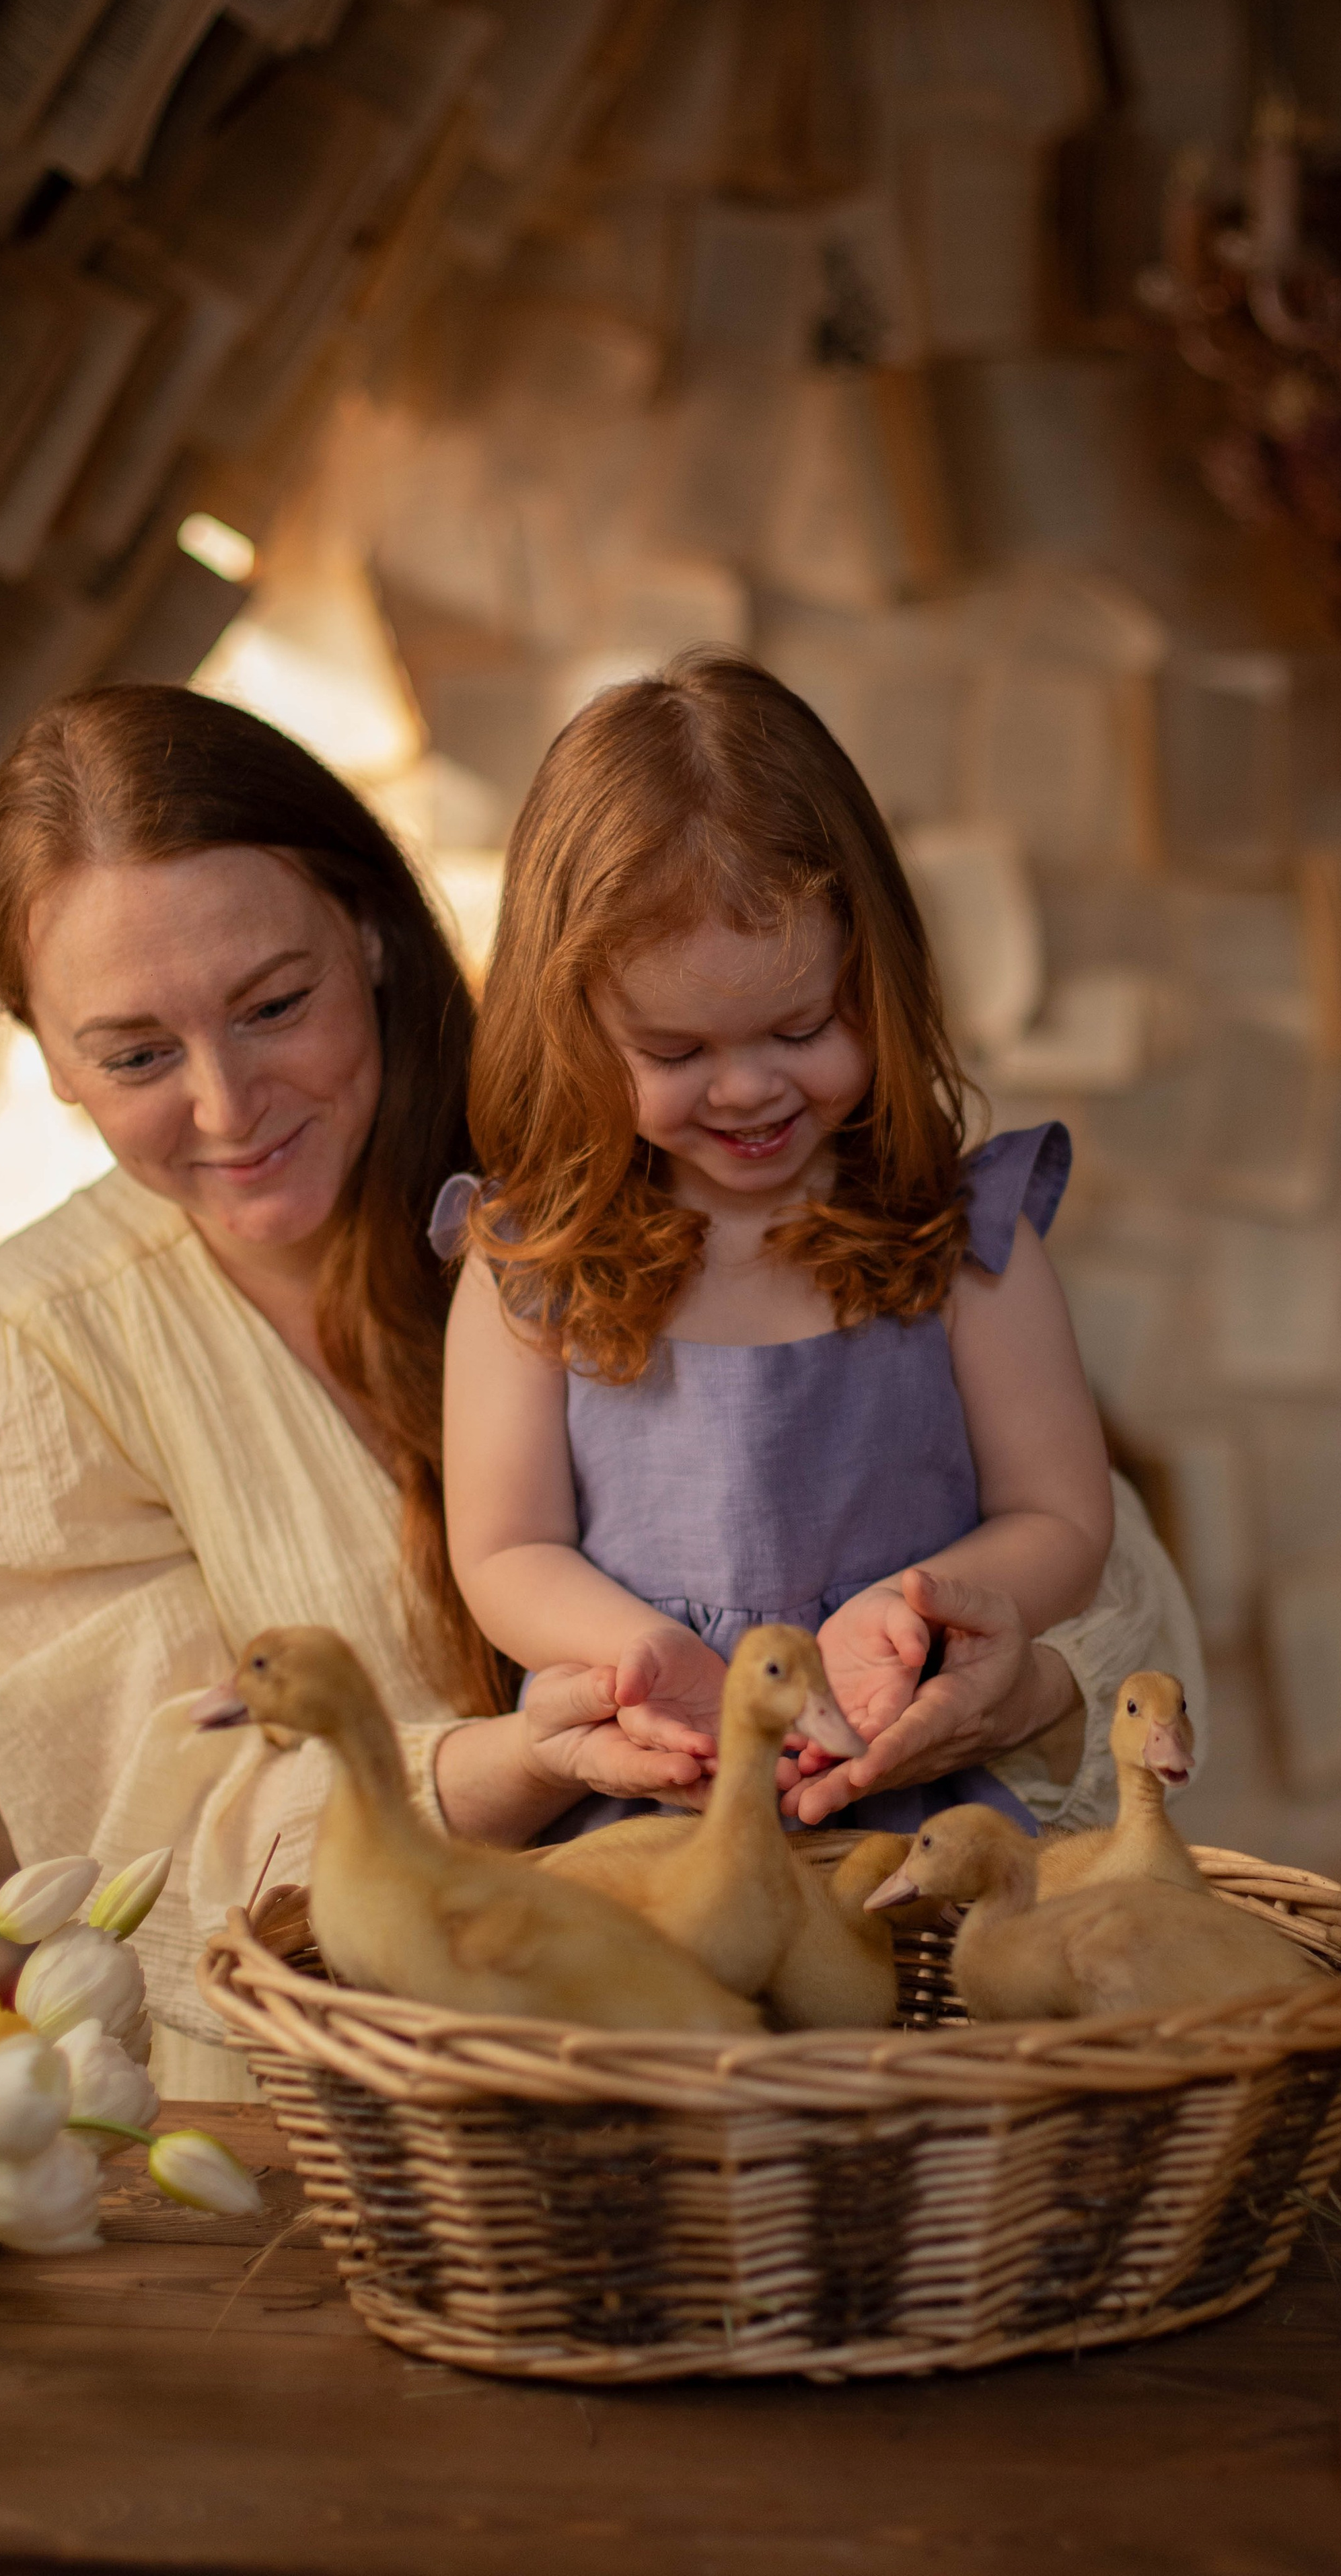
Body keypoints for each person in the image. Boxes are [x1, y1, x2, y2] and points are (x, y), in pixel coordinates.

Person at [0, 682, 1201, 2098]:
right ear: (39, 1050)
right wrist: (521, 1760)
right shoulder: (40, 1350)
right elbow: (144, 1853)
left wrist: (993, 1671)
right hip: (365, 2119)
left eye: (276, 1005)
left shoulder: (630, 1145)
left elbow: (1096, 1575)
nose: (227, 1106)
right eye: (135, 1053)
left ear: (373, 935)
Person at [441, 651, 1117, 1839]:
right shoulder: (533, 1272)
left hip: (906, 1779)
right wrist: (634, 1649)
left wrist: (923, 1612)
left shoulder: (966, 1244)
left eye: (801, 1026)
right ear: (576, 1030)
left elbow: (1061, 1514)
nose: (748, 1090)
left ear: (878, 977)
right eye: (677, 1052)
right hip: (663, 1799)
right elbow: (504, 1549)